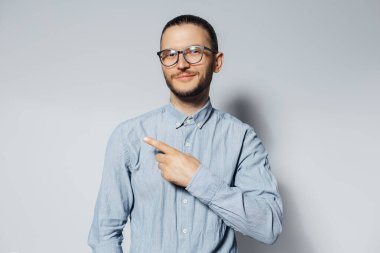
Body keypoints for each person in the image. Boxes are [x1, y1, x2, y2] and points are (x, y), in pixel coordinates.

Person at [88, 14, 283, 253]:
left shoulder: (242, 139)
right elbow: (104, 235)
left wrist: (198, 179)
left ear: (217, 61)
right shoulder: (128, 137)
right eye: (170, 54)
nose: (181, 64)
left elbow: (268, 227)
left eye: (194, 51)